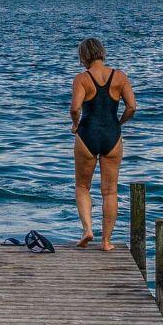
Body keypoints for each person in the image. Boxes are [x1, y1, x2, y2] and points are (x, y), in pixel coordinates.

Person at [69, 38, 136, 251]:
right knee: (110, 191)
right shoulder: (120, 77)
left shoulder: (82, 79)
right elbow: (132, 107)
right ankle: (106, 242)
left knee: (82, 186)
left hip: (87, 135)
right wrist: (119, 123)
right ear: (102, 52)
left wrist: (75, 125)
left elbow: (75, 108)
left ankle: (87, 230)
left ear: (83, 56)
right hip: (112, 136)